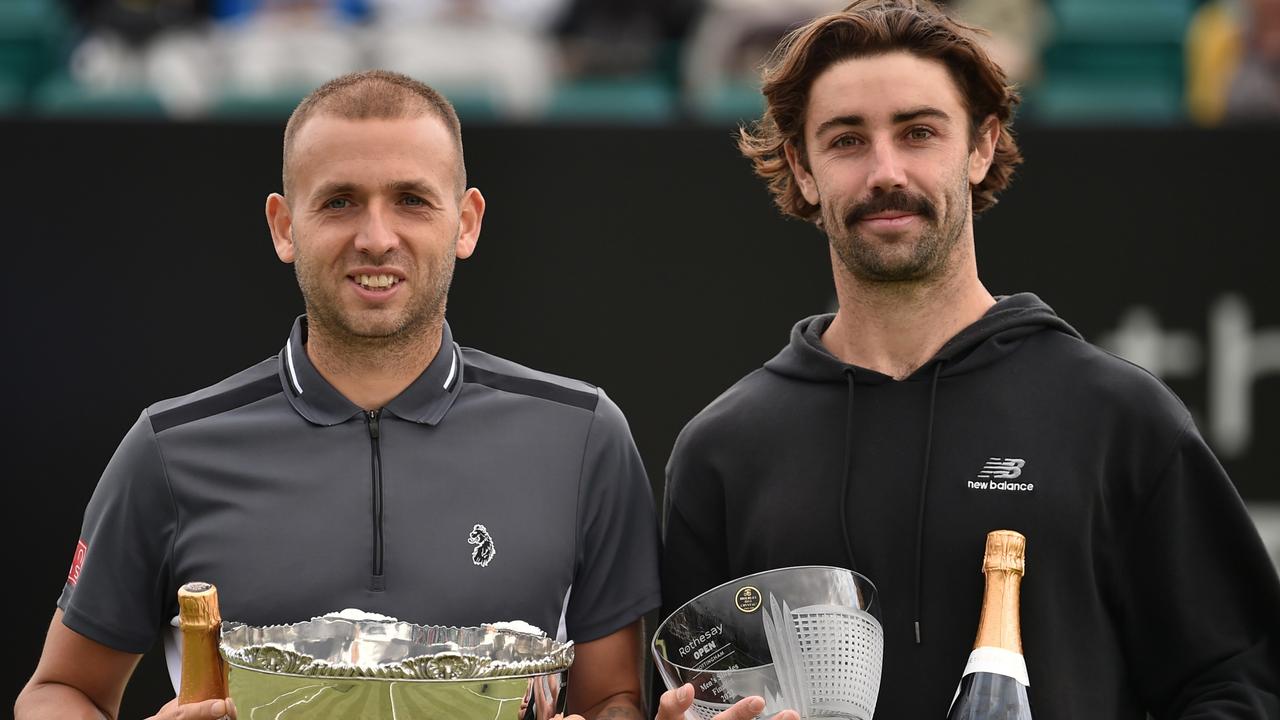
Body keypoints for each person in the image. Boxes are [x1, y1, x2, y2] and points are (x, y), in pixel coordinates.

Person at [656, 1, 1280, 718]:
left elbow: (1240, 686)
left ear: (981, 147)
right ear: (801, 167)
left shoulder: (1119, 418)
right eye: (847, 140)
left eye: (919, 132)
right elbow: (688, 700)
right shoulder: (723, 452)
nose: (886, 171)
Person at [15, 70, 659, 720]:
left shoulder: (583, 438)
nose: (376, 237)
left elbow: (614, 700)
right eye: (340, 201)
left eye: (411, 199)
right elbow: (58, 692)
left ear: (466, 223)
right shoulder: (167, 451)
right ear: (284, 225)